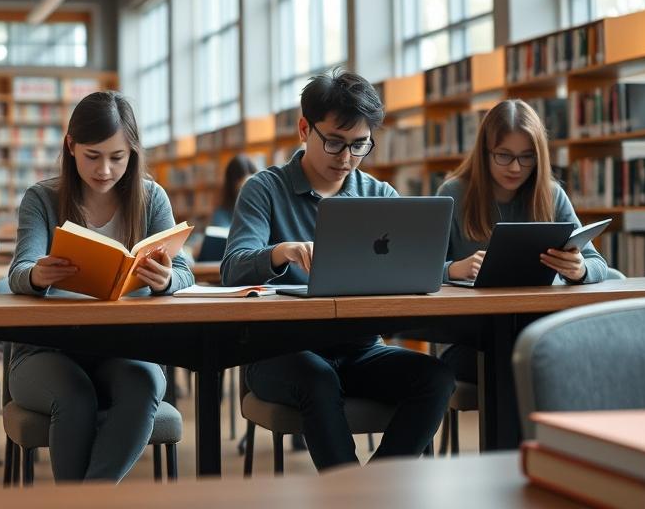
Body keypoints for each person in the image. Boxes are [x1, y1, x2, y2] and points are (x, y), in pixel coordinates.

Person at [221, 68, 454, 471]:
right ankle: (350, 494)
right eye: (334, 142)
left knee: (436, 379)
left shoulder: (379, 194)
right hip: (279, 353)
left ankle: (371, 490)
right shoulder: (264, 188)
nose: (347, 158)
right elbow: (232, 269)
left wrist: (447, 268)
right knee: (317, 378)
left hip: (361, 350)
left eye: (360, 145)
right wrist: (281, 252)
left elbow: (411, 268)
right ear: (303, 129)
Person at [7, 91, 194, 482]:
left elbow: (183, 270)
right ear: (71, 146)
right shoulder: (42, 198)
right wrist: (37, 275)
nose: (105, 170)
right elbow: (19, 269)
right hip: (47, 349)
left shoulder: (150, 197)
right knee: (74, 398)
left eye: (117, 157)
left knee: (143, 385)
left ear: (133, 153)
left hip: (127, 347)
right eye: (93, 156)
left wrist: (168, 279)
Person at [435, 99, 609, 382]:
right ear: (484, 153)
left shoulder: (551, 195)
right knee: (524, 363)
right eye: (504, 155)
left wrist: (580, 270)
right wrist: (452, 269)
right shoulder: (454, 192)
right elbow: (418, 271)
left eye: (526, 157)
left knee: (549, 356)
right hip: (471, 342)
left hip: (538, 331)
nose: (515, 167)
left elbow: (598, 264)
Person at [212, 155, 259, 228]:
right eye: (242, 188)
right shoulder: (221, 214)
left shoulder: (263, 207)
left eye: (252, 188)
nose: (248, 194)